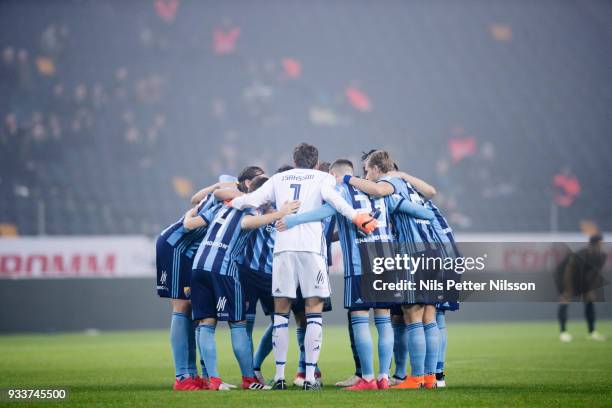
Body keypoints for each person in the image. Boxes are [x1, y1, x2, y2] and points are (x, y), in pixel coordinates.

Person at [228, 143, 377, 391]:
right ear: (317, 163)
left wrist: (231, 203)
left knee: (281, 312)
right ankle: (308, 377)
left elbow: (251, 200)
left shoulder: (279, 178)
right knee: (313, 311)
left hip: (284, 249)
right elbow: (335, 202)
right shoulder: (323, 177)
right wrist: (358, 217)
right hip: (311, 250)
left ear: (294, 161)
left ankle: (279, 377)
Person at [278, 158, 435, 390]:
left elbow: (323, 212)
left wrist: (294, 219)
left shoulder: (338, 190)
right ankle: (383, 376)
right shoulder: (381, 191)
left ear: (334, 175)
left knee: (360, 320)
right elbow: (424, 213)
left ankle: (368, 378)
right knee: (383, 322)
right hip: (388, 262)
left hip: (360, 263)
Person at [188, 167, 298, 391]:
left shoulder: (223, 205)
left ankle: (214, 380)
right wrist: (280, 213)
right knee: (238, 324)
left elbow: (190, 223)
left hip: (199, 266)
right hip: (223, 269)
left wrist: (190, 213)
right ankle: (249, 379)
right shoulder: (249, 209)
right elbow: (247, 223)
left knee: (207, 324)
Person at [155, 176, 235, 391]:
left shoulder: (218, 195)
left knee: (192, 308)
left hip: (188, 249)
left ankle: (192, 373)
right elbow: (190, 224)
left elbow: (195, 197)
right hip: (176, 246)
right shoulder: (228, 198)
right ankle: (183, 377)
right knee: (182, 305)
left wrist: (216, 186)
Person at [557, 233, 607, 342]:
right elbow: (568, 271)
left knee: (589, 299)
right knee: (565, 299)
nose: (602, 245)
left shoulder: (602, 256)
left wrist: (589, 289)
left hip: (582, 279)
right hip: (566, 276)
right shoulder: (581, 254)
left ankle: (592, 332)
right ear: (597, 243)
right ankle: (563, 332)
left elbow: (595, 274)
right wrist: (568, 289)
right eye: (601, 242)